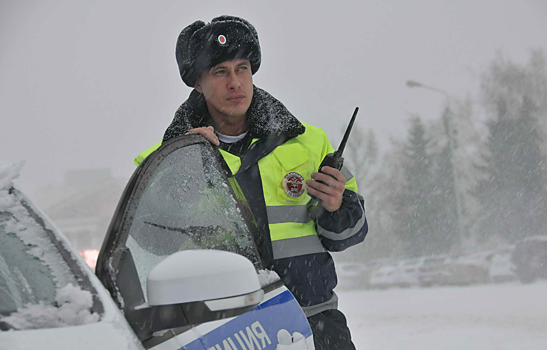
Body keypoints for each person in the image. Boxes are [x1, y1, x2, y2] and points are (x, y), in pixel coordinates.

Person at [135, 15, 367, 350]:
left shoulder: (308, 143)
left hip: (314, 323)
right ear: (198, 84)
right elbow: (152, 246)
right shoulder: (167, 162)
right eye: (220, 71)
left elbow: (351, 232)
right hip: (226, 335)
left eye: (242, 68)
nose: (235, 82)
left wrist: (335, 206)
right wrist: (182, 177)